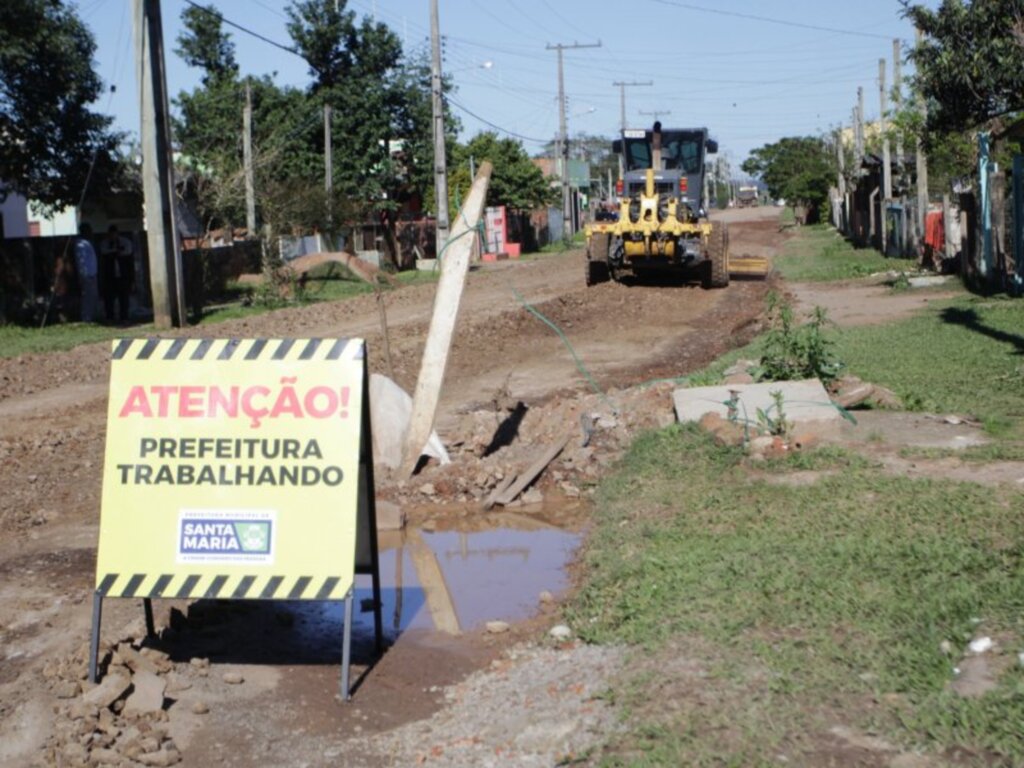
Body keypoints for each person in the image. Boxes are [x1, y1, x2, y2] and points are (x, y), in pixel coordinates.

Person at [99, 224, 135, 323]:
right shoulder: (106, 243)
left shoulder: (124, 242)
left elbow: (127, 252)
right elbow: (104, 252)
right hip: (110, 276)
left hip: (123, 275)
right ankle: (110, 317)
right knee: (109, 298)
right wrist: (114, 251)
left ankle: (124, 317)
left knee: (124, 297)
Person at [74, 223, 99, 323]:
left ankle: (91, 316)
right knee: (88, 296)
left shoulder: (86, 243)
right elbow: (82, 261)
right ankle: (86, 317)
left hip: (92, 273)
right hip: (87, 274)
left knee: (93, 295)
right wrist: (84, 274)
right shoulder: (81, 244)